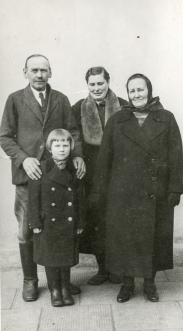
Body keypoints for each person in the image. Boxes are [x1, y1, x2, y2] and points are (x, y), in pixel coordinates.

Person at [90, 73, 183, 302]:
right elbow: (104, 159)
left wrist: (175, 189)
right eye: (132, 91)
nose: (136, 94)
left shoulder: (166, 118)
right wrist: (98, 191)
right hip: (122, 192)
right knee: (125, 238)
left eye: (140, 90)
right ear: (128, 94)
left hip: (156, 192)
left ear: (149, 91)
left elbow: (176, 156)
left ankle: (150, 284)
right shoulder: (117, 120)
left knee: (152, 239)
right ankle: (127, 285)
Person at [0, 54, 86, 302]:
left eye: (44, 70)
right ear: (25, 72)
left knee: (59, 229)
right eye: (34, 70)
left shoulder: (60, 99)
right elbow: (5, 136)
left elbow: (72, 132)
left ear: (51, 73)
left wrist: (78, 155)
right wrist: (24, 159)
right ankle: (31, 280)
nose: (39, 75)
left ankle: (61, 282)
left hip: (57, 178)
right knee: (28, 230)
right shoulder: (15, 99)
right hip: (29, 177)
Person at [72, 67, 128, 285]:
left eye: (100, 83)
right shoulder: (78, 108)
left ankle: (120, 269)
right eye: (92, 84)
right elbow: (73, 138)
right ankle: (103, 269)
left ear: (108, 82)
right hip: (92, 176)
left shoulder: (124, 106)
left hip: (120, 174)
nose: (96, 88)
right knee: (97, 222)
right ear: (87, 85)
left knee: (119, 220)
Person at [28, 129, 85, 307]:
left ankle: (65, 288)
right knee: (50, 258)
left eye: (65, 145)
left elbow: (80, 199)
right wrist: (35, 222)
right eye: (57, 145)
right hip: (47, 223)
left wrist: (80, 221)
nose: (61, 149)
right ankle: (55, 290)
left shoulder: (74, 169)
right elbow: (33, 199)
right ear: (49, 148)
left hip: (68, 222)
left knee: (65, 257)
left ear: (71, 147)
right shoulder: (41, 168)